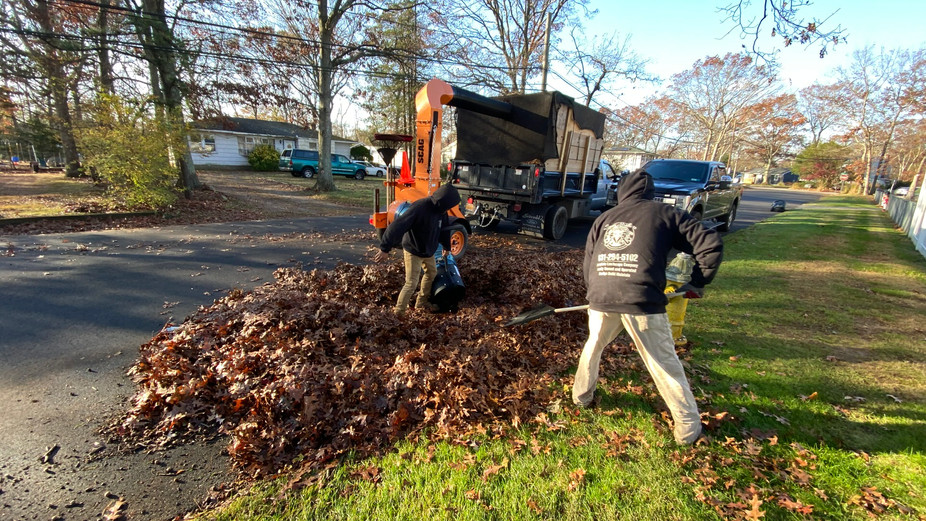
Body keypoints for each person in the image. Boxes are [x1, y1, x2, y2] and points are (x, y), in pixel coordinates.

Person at [573, 168, 723, 445]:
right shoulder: (666, 213)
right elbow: (710, 242)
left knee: (593, 346)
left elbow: (588, 262)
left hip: (601, 297)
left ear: (622, 192)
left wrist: (596, 293)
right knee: (663, 362)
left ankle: (581, 397)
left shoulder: (605, 218)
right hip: (641, 299)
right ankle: (688, 428)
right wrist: (698, 281)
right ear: (651, 192)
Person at [373, 183, 461, 314]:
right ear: (442, 202)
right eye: (448, 205)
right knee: (411, 283)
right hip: (413, 250)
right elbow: (397, 226)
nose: (448, 208)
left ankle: (421, 302)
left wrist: (446, 246)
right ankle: (399, 312)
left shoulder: (442, 211)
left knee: (431, 273)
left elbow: (444, 228)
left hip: (428, 250)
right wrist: (385, 248)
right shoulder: (420, 207)